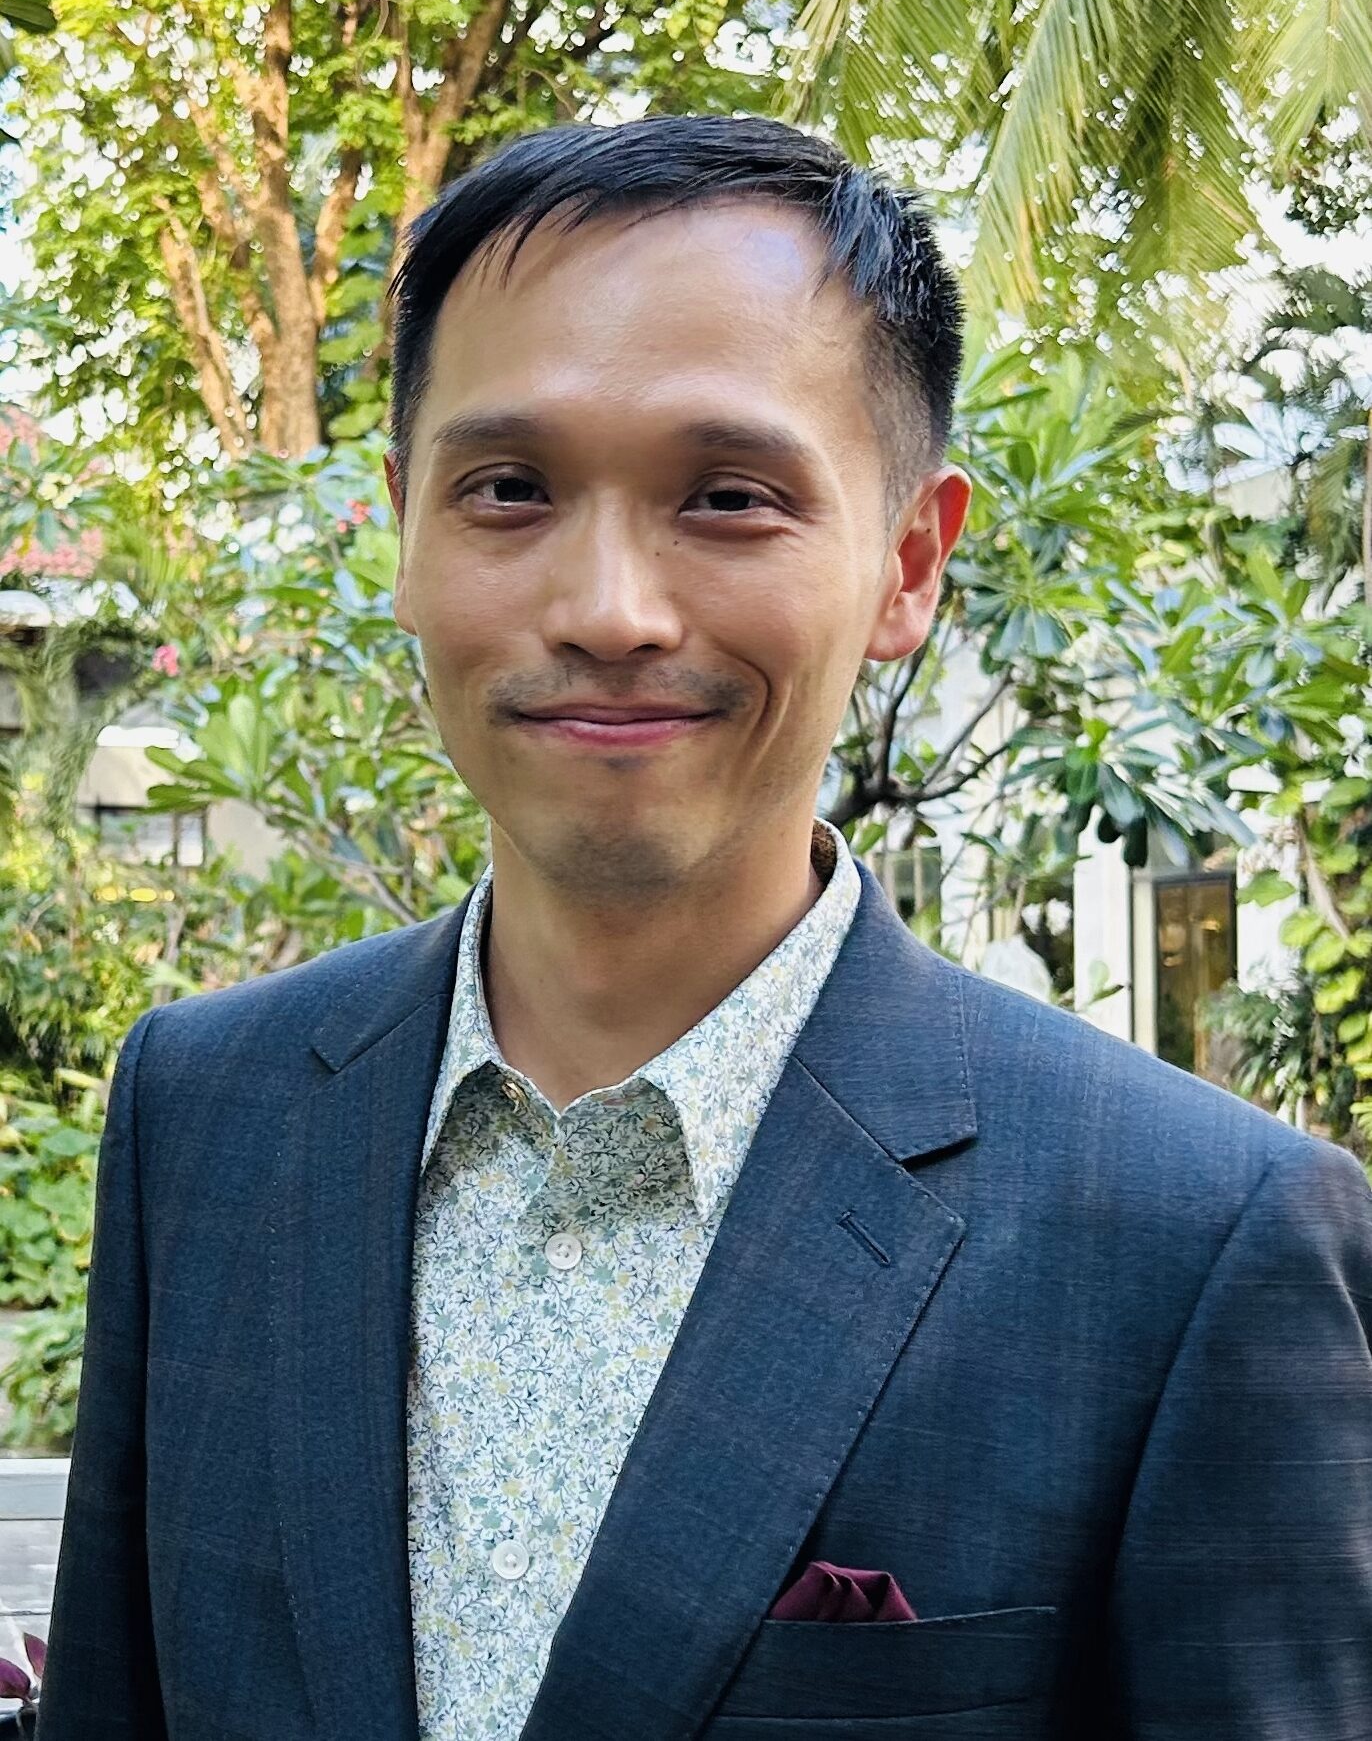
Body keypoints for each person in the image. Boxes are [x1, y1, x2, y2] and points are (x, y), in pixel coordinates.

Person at [37, 114, 1372, 1741]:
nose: (608, 608)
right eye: (508, 488)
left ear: (907, 564)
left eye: (729, 497)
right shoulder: (205, 1117)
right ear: (404, 528)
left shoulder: (1196, 1246)